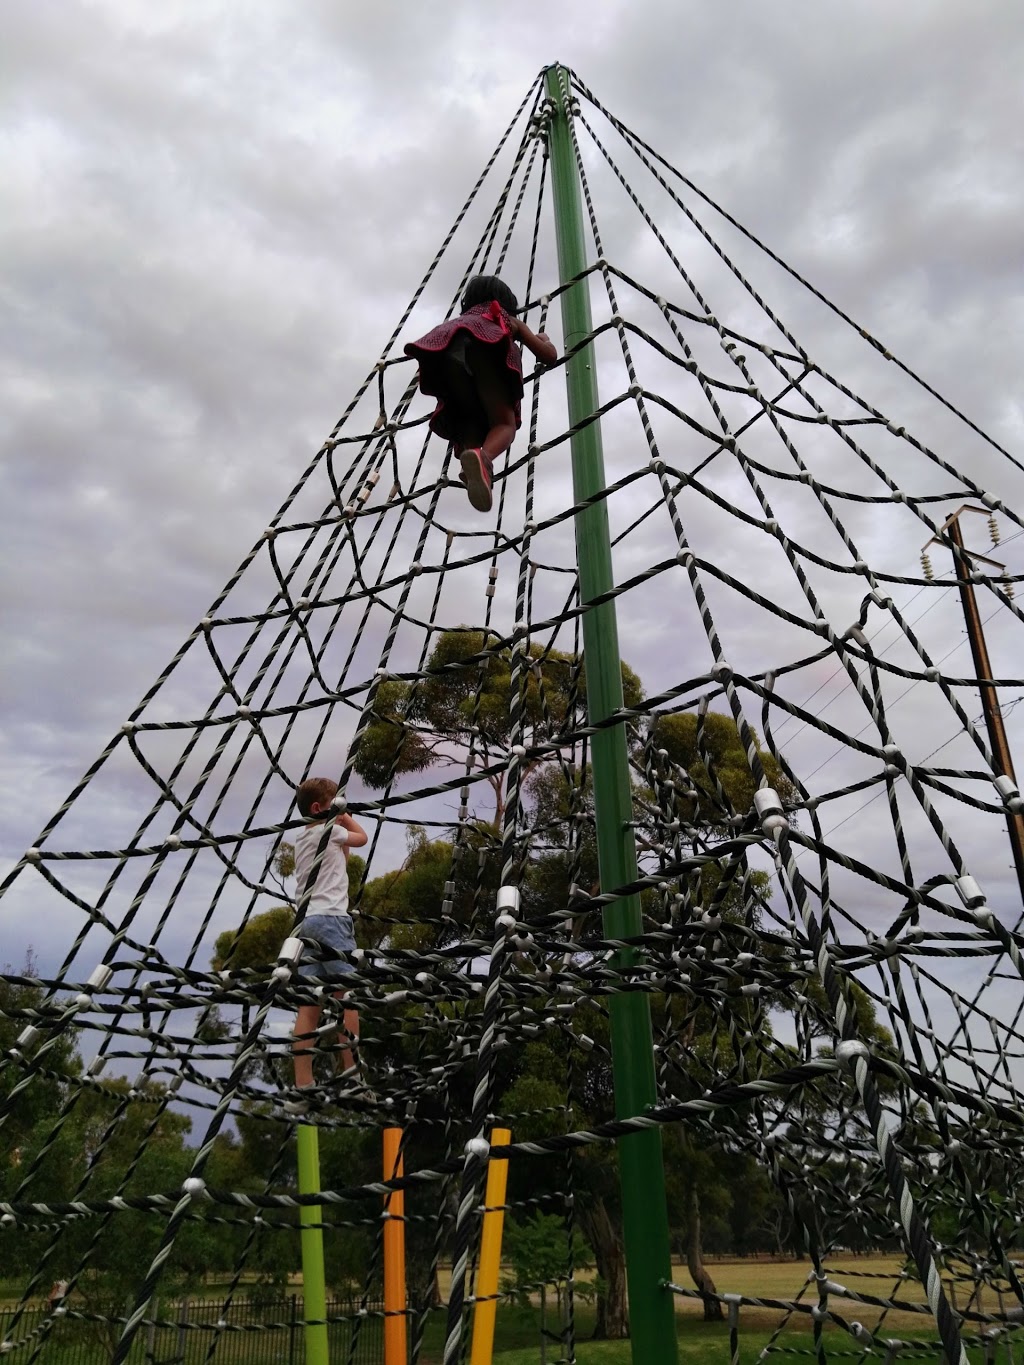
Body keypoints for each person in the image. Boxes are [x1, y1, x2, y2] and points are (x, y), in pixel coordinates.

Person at [404, 275, 557, 513]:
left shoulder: (460, 320)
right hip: (483, 350)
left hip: (446, 353)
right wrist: (543, 340)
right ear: (507, 302)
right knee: (504, 423)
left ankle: (473, 461)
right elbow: (548, 356)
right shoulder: (505, 318)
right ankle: (483, 459)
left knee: (469, 421)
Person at [289, 777, 369, 1101]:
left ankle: (303, 1083)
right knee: (345, 997)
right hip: (334, 920)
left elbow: (344, 859)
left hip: (305, 922)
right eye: (333, 803)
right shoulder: (331, 830)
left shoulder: (301, 839)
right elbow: (362, 838)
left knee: (309, 1005)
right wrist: (344, 812)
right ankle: (352, 1077)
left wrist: (335, 813)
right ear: (320, 808)